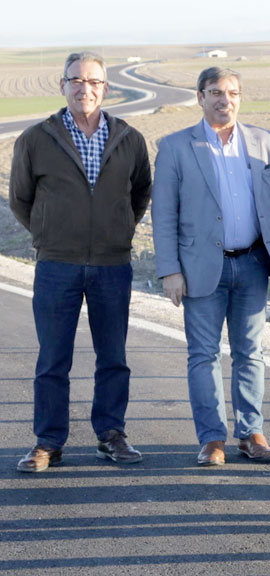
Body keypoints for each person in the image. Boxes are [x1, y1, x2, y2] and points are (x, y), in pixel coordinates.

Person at [152, 67, 270, 467]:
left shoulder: (265, 143)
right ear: (199, 97)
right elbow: (163, 214)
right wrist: (170, 270)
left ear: (240, 96)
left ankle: (251, 433)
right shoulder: (175, 147)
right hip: (201, 268)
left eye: (232, 92)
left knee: (250, 352)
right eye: (215, 92)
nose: (225, 99)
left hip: (252, 263)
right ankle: (212, 438)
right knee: (203, 354)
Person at [9, 51, 151, 472]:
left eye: (93, 82)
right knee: (53, 358)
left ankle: (111, 435)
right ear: (62, 85)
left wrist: (118, 229)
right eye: (75, 80)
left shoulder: (129, 138)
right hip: (57, 265)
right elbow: (21, 199)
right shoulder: (36, 138)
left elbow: (140, 193)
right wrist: (48, 234)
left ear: (106, 88)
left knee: (113, 356)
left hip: (112, 265)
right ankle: (48, 442)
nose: (84, 88)